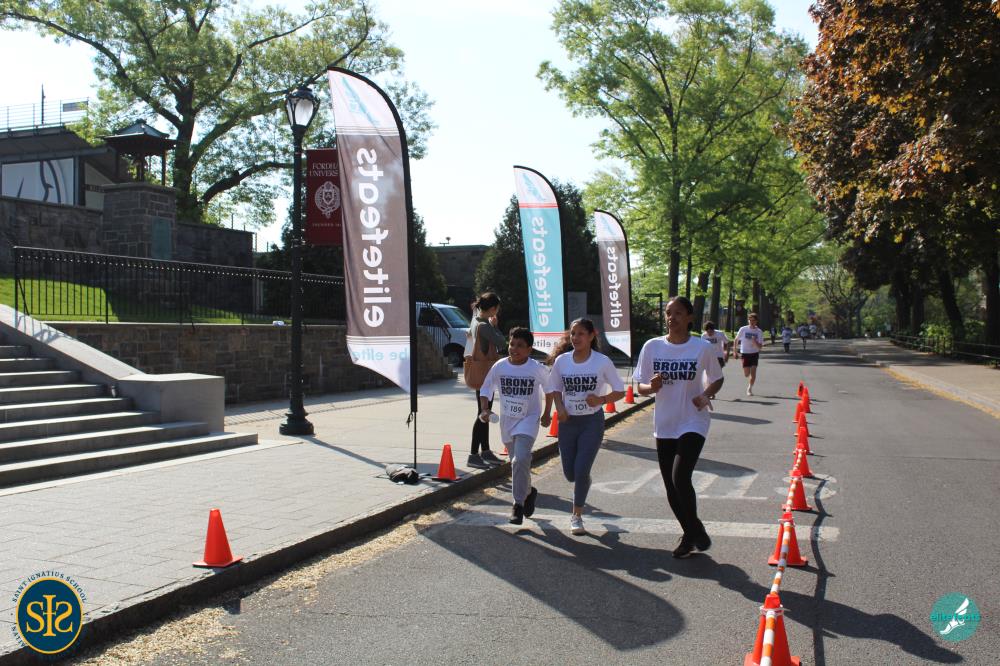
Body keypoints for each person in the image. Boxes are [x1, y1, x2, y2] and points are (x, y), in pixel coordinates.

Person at [636, 296, 724, 558]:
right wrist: (651, 387)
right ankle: (692, 532)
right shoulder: (652, 347)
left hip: (693, 420)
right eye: (668, 312)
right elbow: (640, 387)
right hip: (665, 423)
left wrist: (706, 394)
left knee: (680, 477)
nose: (671, 318)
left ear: (689, 317)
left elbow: (717, 378)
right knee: (670, 488)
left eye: (677, 313)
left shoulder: (701, 347)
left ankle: (692, 533)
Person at [546, 318, 625, 535]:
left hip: (592, 422)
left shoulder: (602, 362)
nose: (576, 337)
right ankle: (584, 479)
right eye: (573, 333)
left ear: (591, 336)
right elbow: (554, 388)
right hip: (568, 423)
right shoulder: (562, 361)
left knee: (581, 470)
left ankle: (577, 516)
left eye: (581, 333)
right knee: (571, 474)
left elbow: (620, 390)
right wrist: (559, 407)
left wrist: (601, 400)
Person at [478, 327, 552, 524]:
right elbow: (486, 388)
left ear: (529, 349)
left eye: (520, 346)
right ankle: (528, 492)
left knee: (520, 460)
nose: (514, 349)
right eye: (512, 344)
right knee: (518, 463)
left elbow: (550, 389)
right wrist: (484, 410)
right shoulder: (500, 366)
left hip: (529, 420)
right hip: (507, 422)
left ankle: (517, 504)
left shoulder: (536, 368)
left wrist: (547, 413)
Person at [467, 292, 506, 468]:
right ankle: (473, 454)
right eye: (497, 308)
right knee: (483, 414)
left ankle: (486, 451)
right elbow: (502, 343)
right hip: (485, 374)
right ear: (493, 309)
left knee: (485, 412)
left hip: (480, 371)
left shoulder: (475, 321)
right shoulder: (484, 326)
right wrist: (495, 327)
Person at [734, 313, 764, 396]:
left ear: (756, 321)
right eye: (750, 320)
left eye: (753, 320)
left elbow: (760, 347)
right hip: (745, 353)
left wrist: (755, 342)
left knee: (753, 373)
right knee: (746, 374)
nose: (751, 322)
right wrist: (735, 351)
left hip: (754, 353)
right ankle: (748, 375)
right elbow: (736, 340)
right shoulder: (743, 329)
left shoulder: (759, 332)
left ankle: (749, 388)